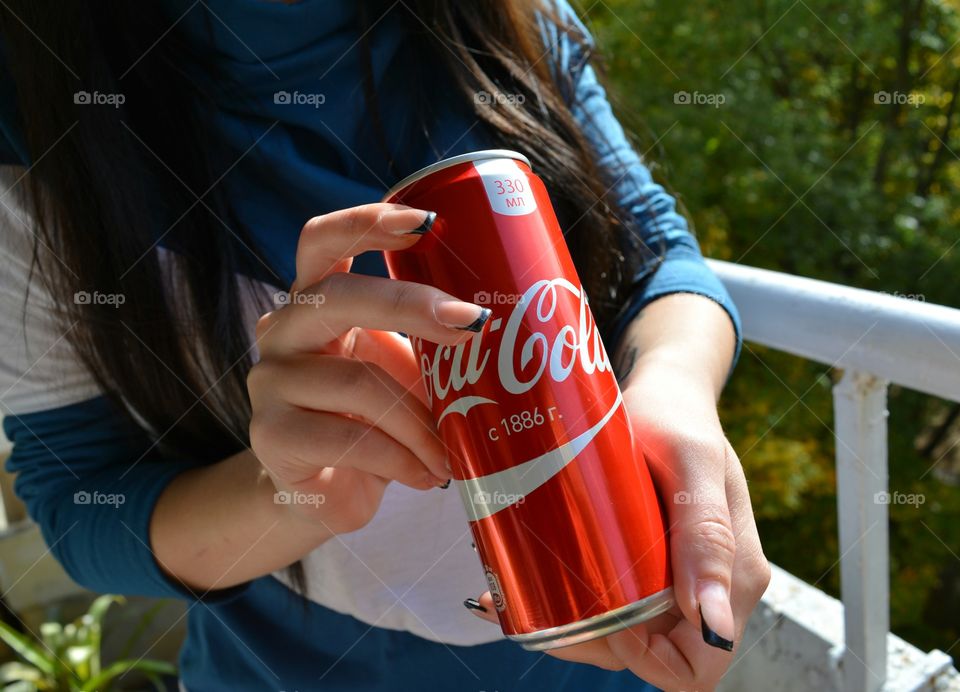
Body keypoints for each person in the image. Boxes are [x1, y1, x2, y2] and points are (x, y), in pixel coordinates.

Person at [0, 1, 770, 690]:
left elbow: (660, 256)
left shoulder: (515, 17)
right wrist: (289, 495)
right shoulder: (33, 114)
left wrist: (672, 384)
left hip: (613, 644)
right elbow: (76, 494)